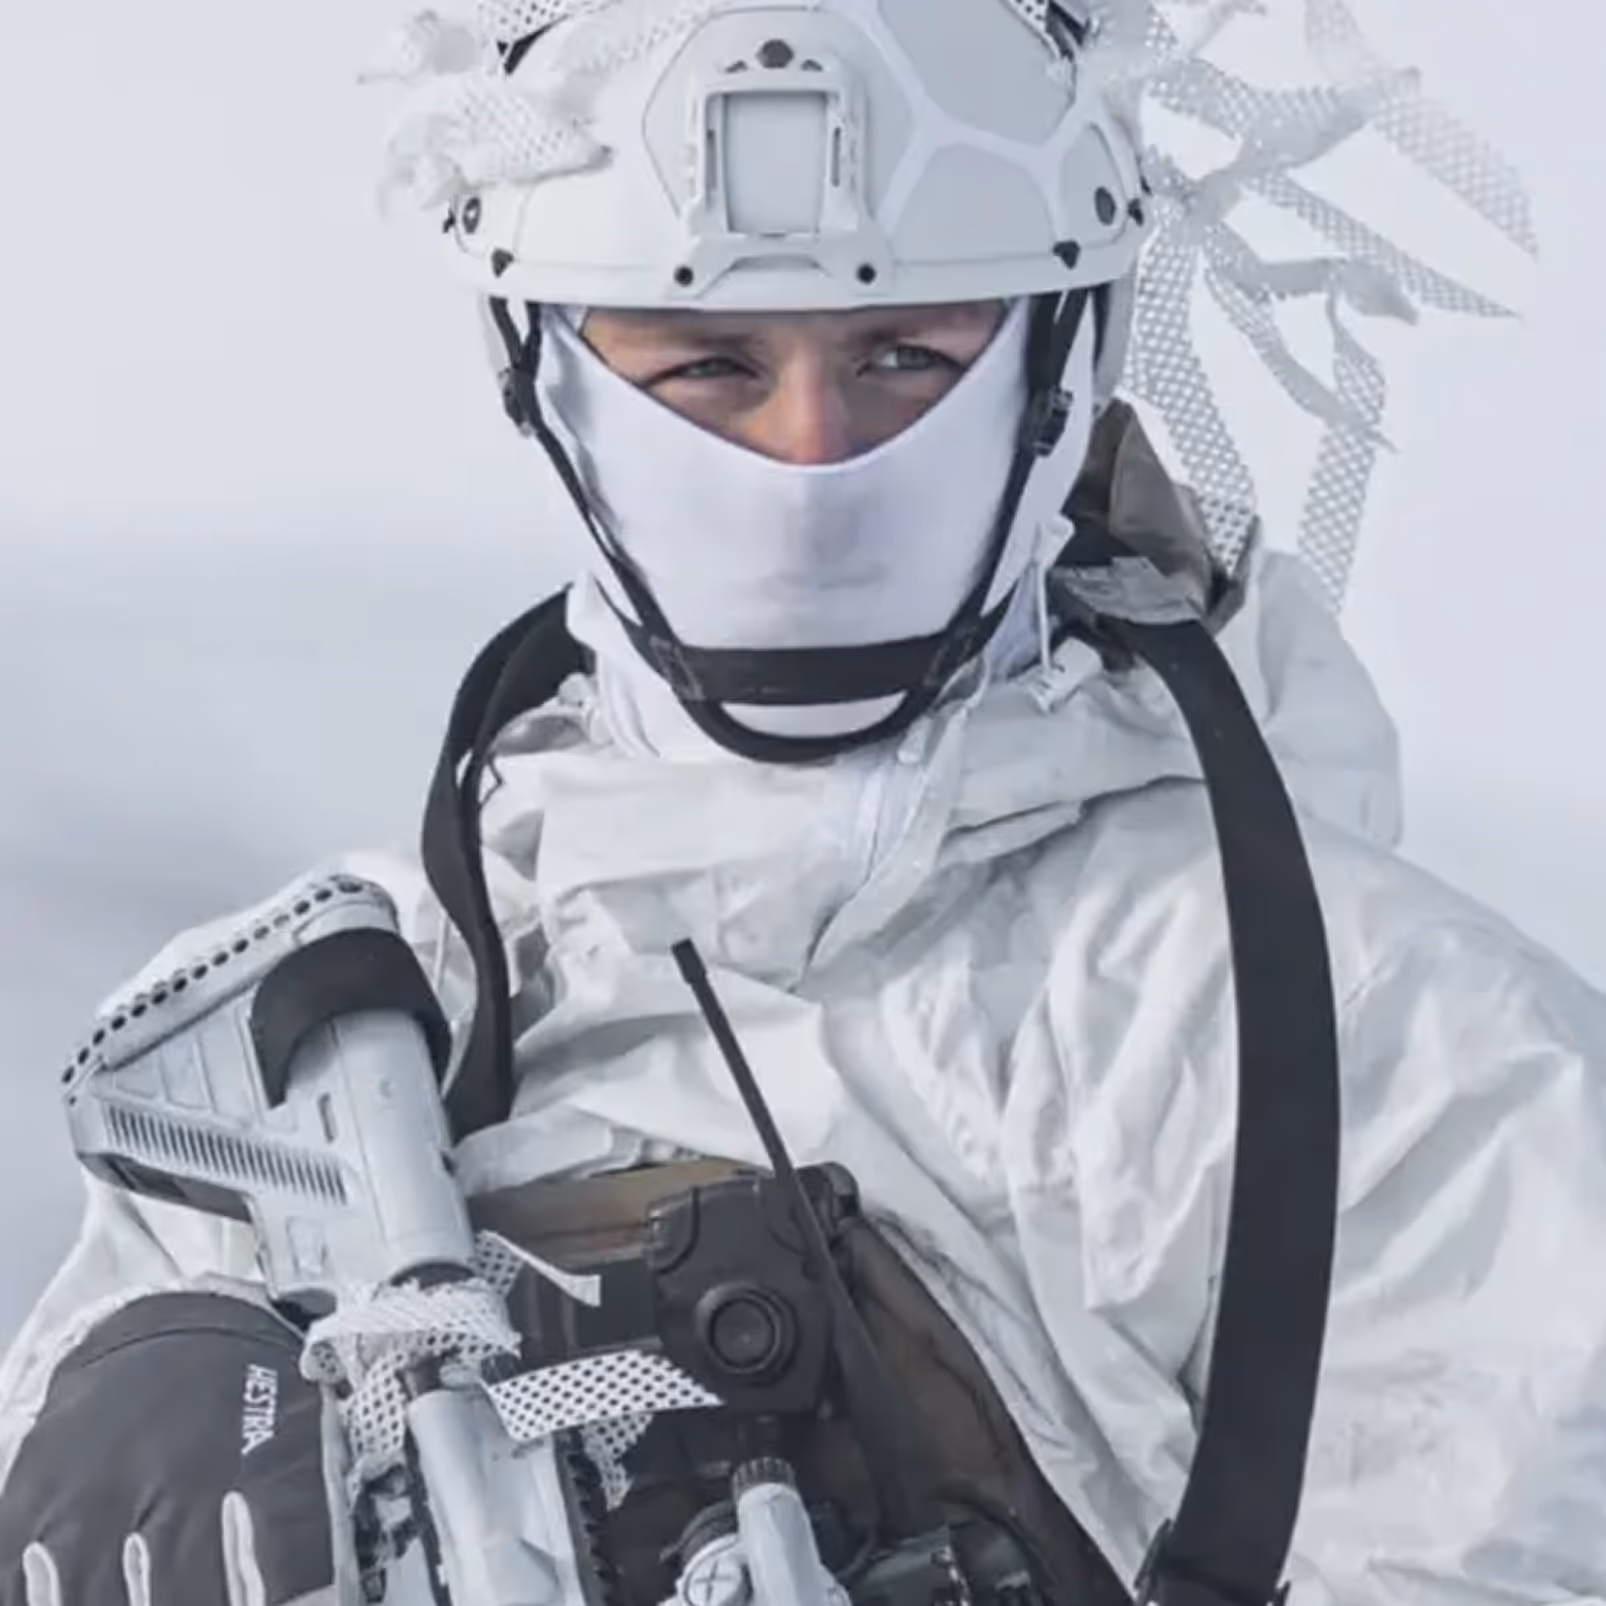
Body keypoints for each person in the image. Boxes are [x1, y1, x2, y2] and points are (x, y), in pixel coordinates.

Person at [0, 1, 1597, 1603]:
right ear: (535, 364)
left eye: (904, 354)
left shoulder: (1372, 1056)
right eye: (710, 364)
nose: (812, 452)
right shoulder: (293, 1057)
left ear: (1062, 361)